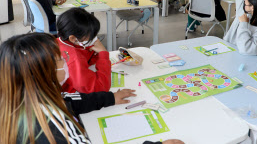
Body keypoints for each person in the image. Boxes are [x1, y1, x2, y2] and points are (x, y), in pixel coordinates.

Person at [0, 32, 181, 144]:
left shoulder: (22, 96)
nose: (65, 61)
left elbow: (70, 100)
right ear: (44, 73)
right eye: (60, 59)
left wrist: (109, 98)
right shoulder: (56, 124)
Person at [57, 8, 111, 94]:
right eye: (89, 37)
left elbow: (88, 60)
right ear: (73, 38)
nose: (93, 39)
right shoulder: (74, 58)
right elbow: (100, 88)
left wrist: (94, 52)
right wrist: (103, 54)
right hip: (70, 97)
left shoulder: (60, 41)